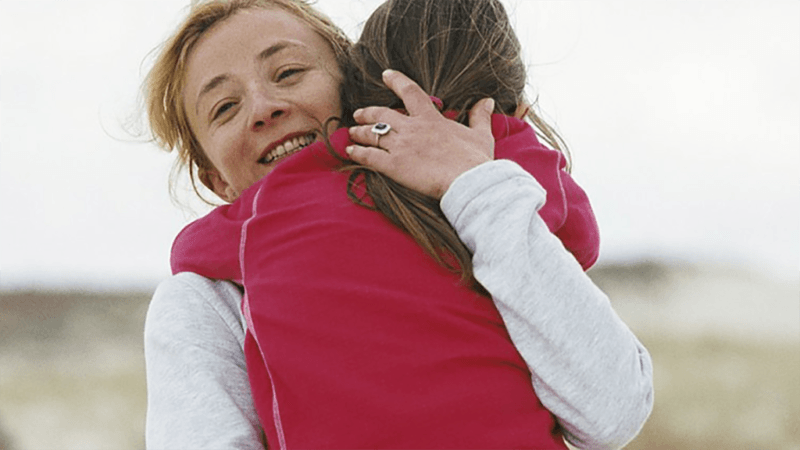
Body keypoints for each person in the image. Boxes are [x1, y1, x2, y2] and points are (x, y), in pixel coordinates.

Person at [144, 0, 653, 449]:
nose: (265, 108)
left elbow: (612, 412)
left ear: (354, 92)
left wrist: (472, 183)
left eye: (289, 73)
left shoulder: (475, 211)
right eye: (225, 107)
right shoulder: (207, 299)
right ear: (216, 181)